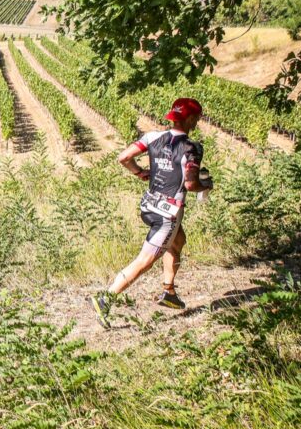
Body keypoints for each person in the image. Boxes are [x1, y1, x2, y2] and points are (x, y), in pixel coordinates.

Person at [91, 97, 214, 328]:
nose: (197, 121)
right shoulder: (192, 148)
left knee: (178, 242)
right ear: (189, 119)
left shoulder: (152, 137)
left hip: (148, 206)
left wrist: (140, 173)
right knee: (145, 260)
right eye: (196, 117)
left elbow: (124, 157)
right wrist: (206, 186)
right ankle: (105, 298)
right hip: (168, 214)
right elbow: (190, 184)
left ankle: (169, 292)